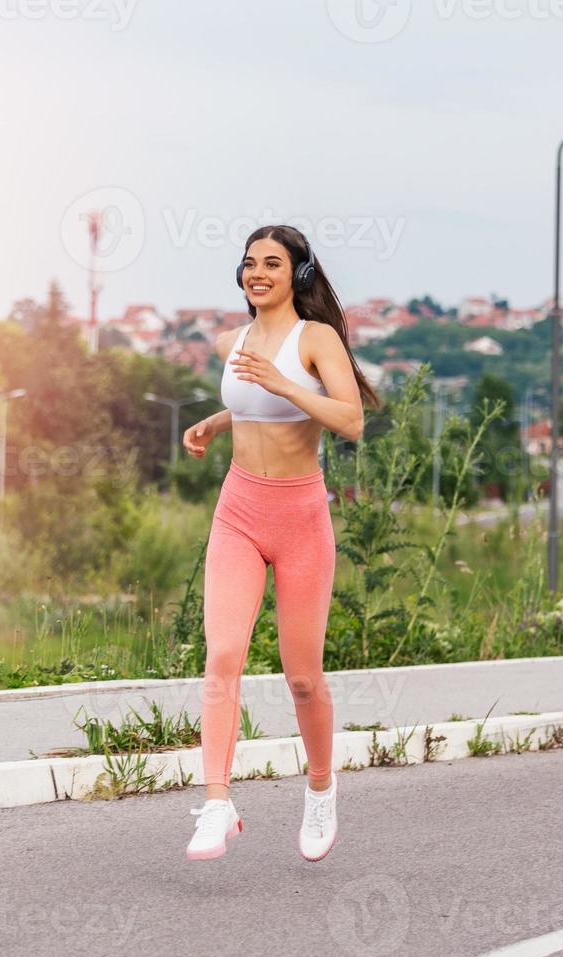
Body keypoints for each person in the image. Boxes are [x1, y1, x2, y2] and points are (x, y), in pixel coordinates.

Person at [180, 224, 382, 861]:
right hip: (238, 511)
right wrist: (215, 420)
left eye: (272, 263)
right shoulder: (230, 342)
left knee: (302, 678)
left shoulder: (316, 340)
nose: (257, 273)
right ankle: (217, 803)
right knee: (223, 656)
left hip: (300, 518)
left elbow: (349, 421)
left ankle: (320, 790)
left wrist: (284, 384)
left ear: (296, 273)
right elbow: (250, 405)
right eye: (248, 264)